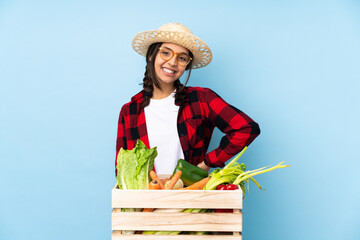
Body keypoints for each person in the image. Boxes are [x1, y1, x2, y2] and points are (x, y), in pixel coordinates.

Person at [115, 23, 260, 176]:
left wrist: (208, 162)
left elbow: (247, 128)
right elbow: (122, 167)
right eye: (165, 53)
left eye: (182, 58)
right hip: (146, 197)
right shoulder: (129, 111)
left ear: (187, 65)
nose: (172, 62)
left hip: (191, 194)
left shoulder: (202, 99)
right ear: (151, 56)